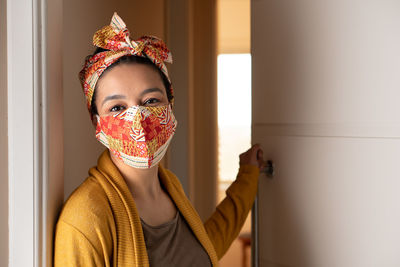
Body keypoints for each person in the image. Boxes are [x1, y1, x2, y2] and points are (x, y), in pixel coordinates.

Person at [54, 12, 264, 267]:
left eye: (151, 101)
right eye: (117, 108)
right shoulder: (85, 219)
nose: (138, 119)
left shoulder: (169, 186)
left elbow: (202, 248)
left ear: (170, 106)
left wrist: (248, 175)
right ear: (97, 123)